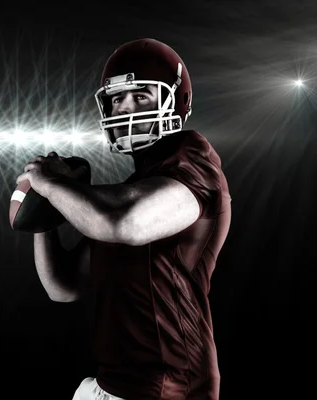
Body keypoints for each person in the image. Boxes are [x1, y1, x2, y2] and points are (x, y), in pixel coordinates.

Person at [16, 38, 231, 399]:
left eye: (142, 95)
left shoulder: (194, 165)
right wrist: (44, 214)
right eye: (118, 99)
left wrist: (50, 184)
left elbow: (123, 225)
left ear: (176, 101)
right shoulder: (131, 190)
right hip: (114, 382)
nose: (127, 109)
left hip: (171, 386)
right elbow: (63, 287)